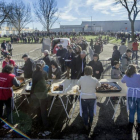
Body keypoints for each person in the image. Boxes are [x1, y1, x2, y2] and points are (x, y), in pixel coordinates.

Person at [78, 66, 101, 130]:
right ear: (92, 72)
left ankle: (86, 124)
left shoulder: (81, 78)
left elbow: (78, 85)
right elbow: (99, 85)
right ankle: (90, 122)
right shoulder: (94, 79)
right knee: (91, 110)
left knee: (85, 111)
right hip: (92, 97)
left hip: (84, 97)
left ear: (85, 72)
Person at [31, 64, 50, 135]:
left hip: (34, 93)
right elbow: (47, 79)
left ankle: (38, 121)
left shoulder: (34, 73)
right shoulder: (44, 73)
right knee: (43, 109)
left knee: (37, 108)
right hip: (42, 93)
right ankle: (45, 125)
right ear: (41, 67)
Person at [121, 65, 140, 132]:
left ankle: (131, 123)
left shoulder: (126, 76)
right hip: (139, 94)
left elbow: (122, 81)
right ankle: (139, 124)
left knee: (131, 110)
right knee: (139, 110)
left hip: (131, 95)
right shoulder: (139, 75)